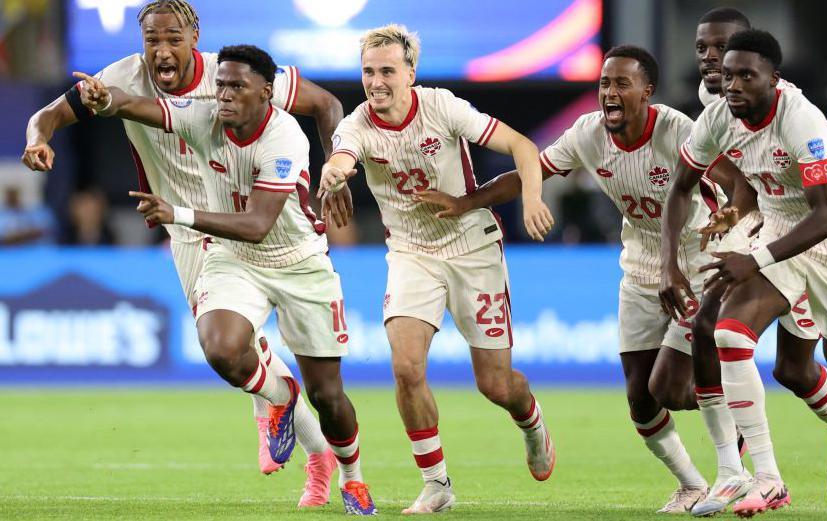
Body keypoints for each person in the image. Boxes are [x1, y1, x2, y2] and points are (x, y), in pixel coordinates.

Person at [21, 0, 344, 505]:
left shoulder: (232, 75)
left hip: (248, 219)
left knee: (233, 346)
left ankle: (302, 443)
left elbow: (326, 105)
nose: (163, 49)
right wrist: (38, 138)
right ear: (141, 42)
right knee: (232, 354)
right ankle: (289, 417)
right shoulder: (120, 76)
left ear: (195, 35)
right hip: (188, 232)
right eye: (152, 40)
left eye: (174, 37)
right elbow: (50, 114)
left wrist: (334, 170)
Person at [413, 45, 722, 514]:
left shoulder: (679, 131)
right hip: (638, 266)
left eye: (621, 84)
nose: (609, 93)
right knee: (641, 400)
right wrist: (467, 202)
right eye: (604, 84)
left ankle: (736, 423)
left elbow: (731, 178)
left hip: (695, 265)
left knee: (672, 389)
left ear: (648, 91)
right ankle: (692, 484)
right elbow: (529, 170)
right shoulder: (588, 134)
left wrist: (744, 215)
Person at [74, 44, 378, 515]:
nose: (225, 95)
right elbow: (139, 106)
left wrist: (178, 212)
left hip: (298, 262)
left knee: (328, 396)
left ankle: (352, 477)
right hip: (235, 259)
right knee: (219, 346)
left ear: (267, 92)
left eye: (237, 86)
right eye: (221, 86)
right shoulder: (203, 116)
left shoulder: (285, 137)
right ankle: (278, 394)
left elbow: (258, 223)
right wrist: (103, 99)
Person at [661, 29, 827, 517]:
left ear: (774, 80)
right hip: (779, 238)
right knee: (731, 336)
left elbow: (823, 215)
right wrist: (670, 264)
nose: (732, 84)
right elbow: (679, 187)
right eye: (727, 75)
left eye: (745, 75)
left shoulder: (803, 121)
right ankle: (767, 479)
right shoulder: (716, 117)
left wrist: (751, 259)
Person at [317, 24, 556, 514]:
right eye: (368, 71)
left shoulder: (442, 106)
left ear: (411, 73)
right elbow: (342, 157)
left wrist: (531, 198)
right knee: (405, 365)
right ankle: (437, 484)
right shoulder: (357, 125)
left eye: (387, 70)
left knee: (495, 384)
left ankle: (530, 422)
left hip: (473, 249)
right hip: (411, 253)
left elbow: (523, 147)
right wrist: (333, 174)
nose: (376, 81)